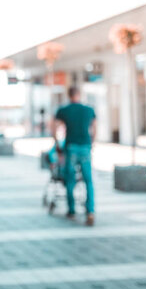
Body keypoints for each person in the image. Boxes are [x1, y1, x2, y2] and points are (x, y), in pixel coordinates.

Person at [52, 86, 96, 226]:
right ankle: (90, 211)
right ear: (79, 94)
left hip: (70, 147)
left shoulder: (63, 110)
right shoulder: (88, 110)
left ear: (69, 95)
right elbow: (94, 128)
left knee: (70, 179)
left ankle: (71, 210)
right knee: (88, 180)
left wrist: (57, 145)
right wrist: (91, 143)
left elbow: (54, 127)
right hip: (85, 147)